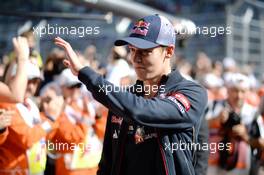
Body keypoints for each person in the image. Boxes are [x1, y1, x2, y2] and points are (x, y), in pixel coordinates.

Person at [54, 14, 208, 175]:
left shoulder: (192, 93)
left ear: (168, 51)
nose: (136, 58)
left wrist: (86, 74)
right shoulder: (124, 99)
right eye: (133, 50)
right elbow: (107, 162)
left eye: (145, 51)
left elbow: (143, 110)